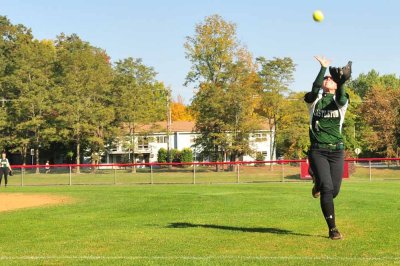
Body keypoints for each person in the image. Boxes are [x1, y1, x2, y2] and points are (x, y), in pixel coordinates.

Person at [304, 56, 352, 240]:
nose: (327, 80)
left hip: (337, 151)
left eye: (330, 79)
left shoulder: (341, 102)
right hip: (318, 150)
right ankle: (333, 229)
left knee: (334, 191)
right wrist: (323, 69)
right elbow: (314, 88)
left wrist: (341, 82)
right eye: (326, 79)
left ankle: (317, 181)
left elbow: (341, 95)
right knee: (327, 189)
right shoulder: (313, 102)